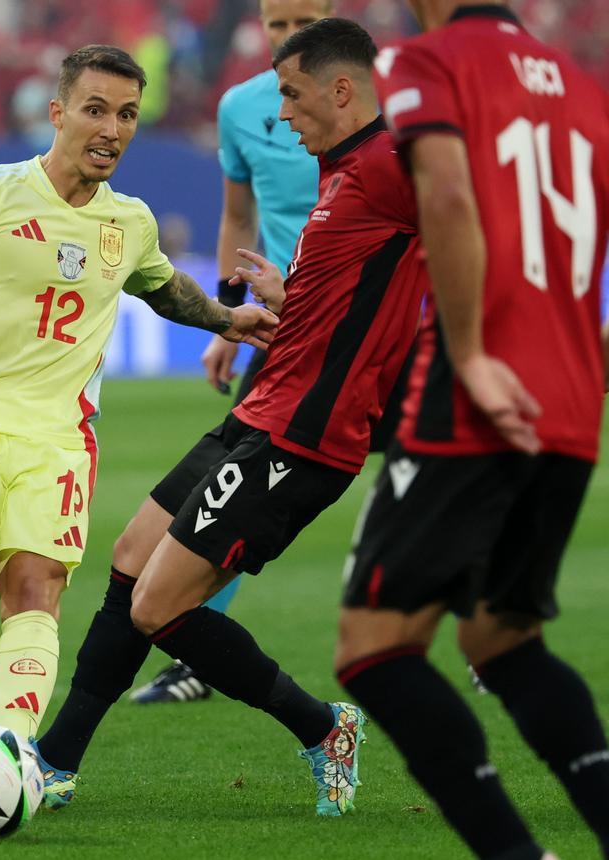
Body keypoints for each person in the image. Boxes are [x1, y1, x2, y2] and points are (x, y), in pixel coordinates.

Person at [34, 18, 426, 817]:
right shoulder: (341, 171)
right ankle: (55, 757)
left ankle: (322, 728)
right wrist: (292, 300)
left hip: (307, 435)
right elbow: (358, 292)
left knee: (160, 605)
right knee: (132, 560)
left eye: (291, 92)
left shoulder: (392, 164)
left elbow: (467, 241)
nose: (281, 112)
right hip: (263, 407)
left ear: (341, 89)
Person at [0, 45, 277, 744]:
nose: (112, 129)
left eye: (126, 115)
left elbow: (163, 287)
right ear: (58, 113)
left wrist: (226, 318)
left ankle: (8, 749)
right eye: (96, 110)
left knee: (34, 592)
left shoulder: (130, 222)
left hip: (62, 439)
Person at [335, 2, 609, 857]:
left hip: (480, 386)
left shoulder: (429, 61)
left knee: (373, 648)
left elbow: (448, 192)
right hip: (570, 396)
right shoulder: (582, 87)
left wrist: (472, 353)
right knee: (502, 637)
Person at [131, 0, 330, 706]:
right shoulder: (242, 108)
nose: (287, 37)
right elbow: (239, 215)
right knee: (235, 483)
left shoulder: (374, 101)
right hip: (280, 327)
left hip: (370, 325)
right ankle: (196, 653)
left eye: (303, 21)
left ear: (331, 16)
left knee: (448, 473)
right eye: (276, 25)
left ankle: (494, 634)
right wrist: (224, 320)